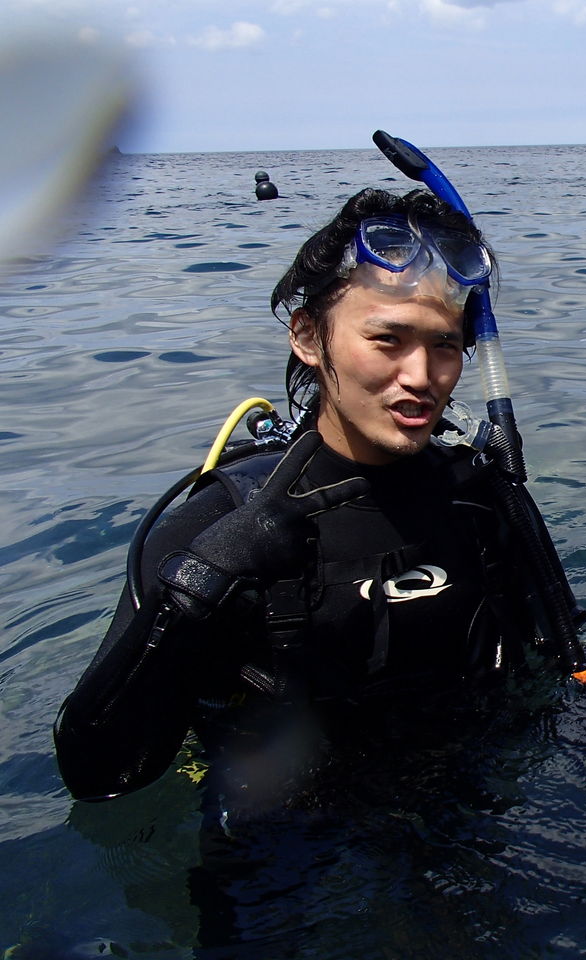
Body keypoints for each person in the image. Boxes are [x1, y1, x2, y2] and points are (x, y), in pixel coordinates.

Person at [55, 185, 557, 810]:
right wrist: (197, 591)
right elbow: (96, 774)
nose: (422, 377)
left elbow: (563, 675)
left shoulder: (483, 501)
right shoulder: (222, 521)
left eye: (445, 345)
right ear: (309, 338)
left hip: (463, 803)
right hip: (289, 841)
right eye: (388, 340)